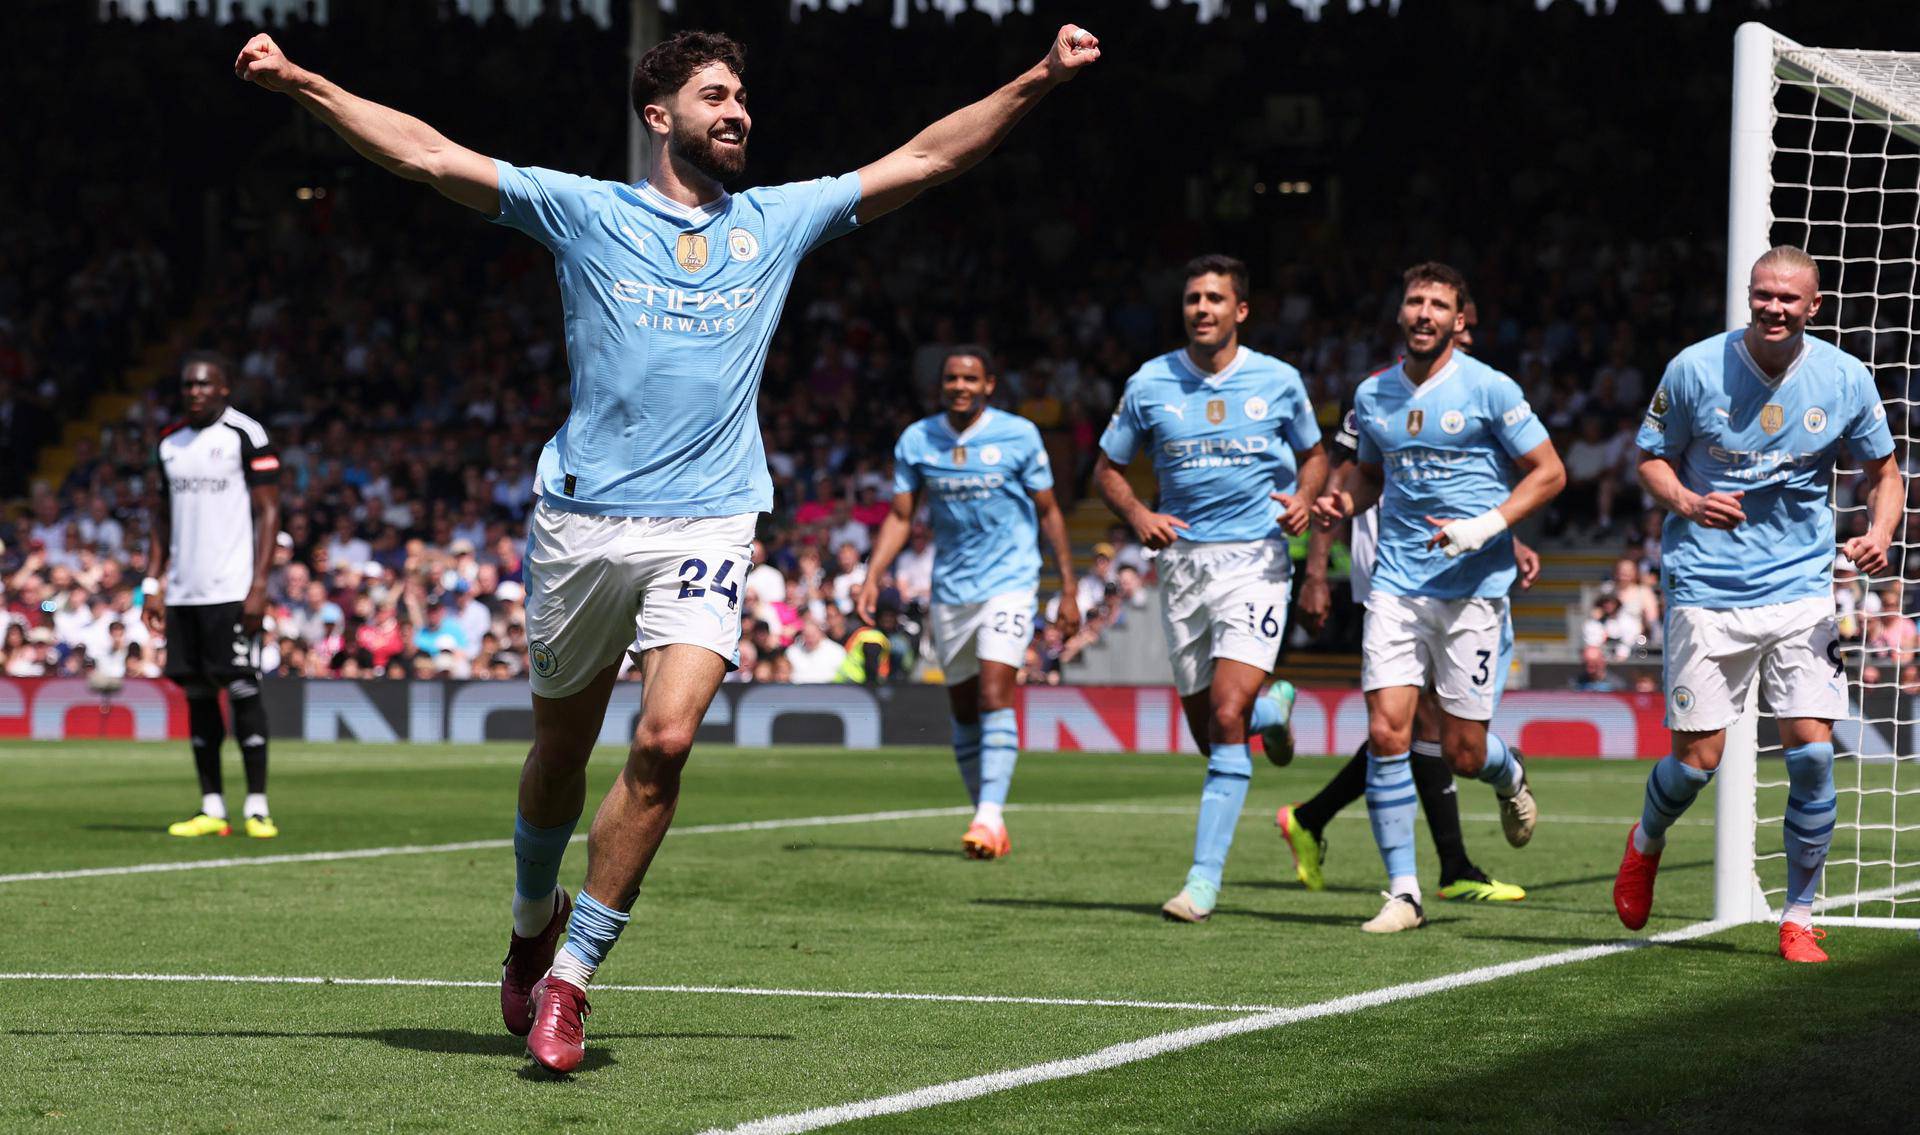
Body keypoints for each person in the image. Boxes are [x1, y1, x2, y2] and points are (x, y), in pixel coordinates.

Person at [236, 21, 1102, 1073]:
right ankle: (528, 922)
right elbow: (424, 153)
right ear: (661, 116)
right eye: (716, 96)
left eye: (743, 97)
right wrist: (299, 82)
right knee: (559, 754)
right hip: (581, 522)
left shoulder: (779, 221)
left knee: (666, 742)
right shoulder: (585, 209)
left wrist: (1040, 79)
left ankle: (572, 980)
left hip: (710, 519)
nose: (739, 112)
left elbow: (925, 158)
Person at [1614, 245, 1901, 963]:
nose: (1774, 307)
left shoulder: (1843, 378)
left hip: (1801, 591)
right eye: (1762, 295)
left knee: (1811, 754)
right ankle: (1646, 841)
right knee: (1695, 765)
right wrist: (1686, 498)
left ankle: (1798, 914)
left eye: (1788, 298)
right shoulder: (1693, 369)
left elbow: (1884, 473)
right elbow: (1649, 454)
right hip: (1705, 590)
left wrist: (1881, 530)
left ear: (1814, 306)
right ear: (1750, 296)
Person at [1310, 262, 1565, 933]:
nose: (1424, 313)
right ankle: (1404, 891)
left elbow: (1550, 472)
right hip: (1397, 584)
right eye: (1414, 301)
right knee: (1387, 732)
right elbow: (1369, 475)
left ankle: (1509, 777)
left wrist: (1485, 528)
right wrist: (1342, 503)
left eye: (1438, 304)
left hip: (1475, 590)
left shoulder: (1490, 388)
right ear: (1401, 313)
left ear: (1459, 319)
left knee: (1462, 753)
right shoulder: (1372, 395)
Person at [1091, 254, 1328, 923]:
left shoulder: (1278, 380)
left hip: (1255, 559)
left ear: (1240, 310)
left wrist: (1305, 500)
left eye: (1215, 298)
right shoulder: (1150, 382)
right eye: (1193, 298)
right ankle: (1272, 706)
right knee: (1211, 731)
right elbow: (1107, 469)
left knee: (1225, 716)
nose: (1202, 308)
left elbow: (1315, 455)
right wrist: (1137, 514)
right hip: (1182, 566)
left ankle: (1201, 883)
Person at [858, 346, 1081, 859]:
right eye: (952, 378)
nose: (960, 386)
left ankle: (988, 816)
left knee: (993, 692)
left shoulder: (1019, 436)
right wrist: (874, 574)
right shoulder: (918, 439)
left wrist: (1068, 586)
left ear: (989, 385)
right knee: (962, 706)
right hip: (952, 588)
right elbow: (900, 514)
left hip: (1011, 580)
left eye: (970, 378)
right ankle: (986, 812)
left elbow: (1049, 511)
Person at [142, 352, 283, 839]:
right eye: (188, 386)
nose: (195, 392)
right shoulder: (168, 443)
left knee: (243, 690)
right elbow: (159, 519)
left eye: (204, 385)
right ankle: (212, 807)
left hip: (232, 587)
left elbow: (269, 512)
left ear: (224, 389)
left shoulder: (247, 435)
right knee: (198, 696)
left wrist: (259, 584)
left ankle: (258, 807)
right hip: (183, 590)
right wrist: (153, 582)